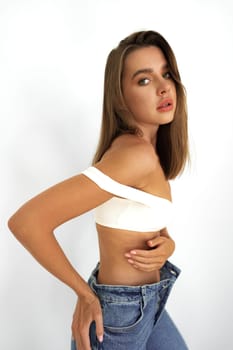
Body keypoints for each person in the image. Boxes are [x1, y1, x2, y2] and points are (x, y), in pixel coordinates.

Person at [8, 30, 189, 349]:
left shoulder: (144, 151)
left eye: (167, 74)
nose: (163, 87)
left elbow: (147, 224)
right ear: (121, 96)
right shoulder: (135, 155)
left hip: (149, 304)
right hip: (120, 318)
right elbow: (27, 222)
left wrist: (168, 246)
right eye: (144, 80)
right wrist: (84, 293)